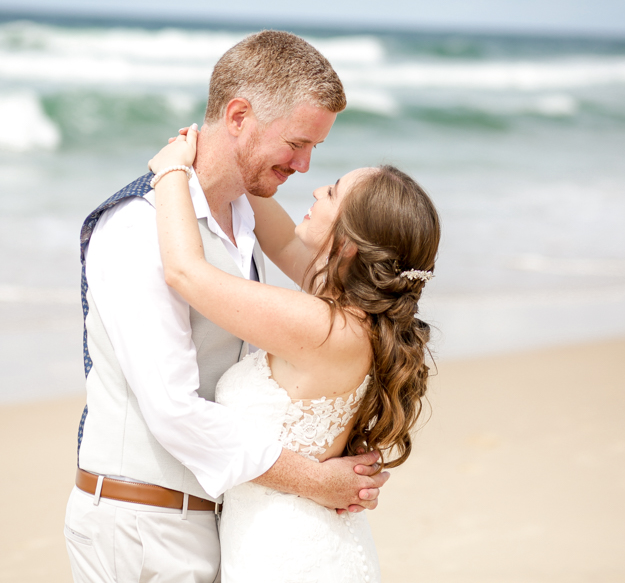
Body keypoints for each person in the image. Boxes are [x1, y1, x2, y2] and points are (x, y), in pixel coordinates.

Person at [64, 31, 389, 583]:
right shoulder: (142, 229)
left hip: (218, 525)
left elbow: (327, 270)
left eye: (317, 149)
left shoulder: (247, 217)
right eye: (297, 143)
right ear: (238, 115)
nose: (306, 167)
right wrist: (314, 478)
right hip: (143, 529)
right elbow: (173, 409)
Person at [147, 123, 440, 582]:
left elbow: (186, 274)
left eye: (334, 192)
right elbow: (281, 240)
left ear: (347, 244)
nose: (319, 188)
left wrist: (170, 172)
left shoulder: (325, 328)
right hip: (292, 543)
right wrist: (232, 145)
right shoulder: (354, 314)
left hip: (290, 555)